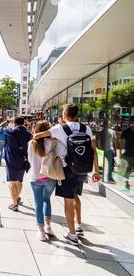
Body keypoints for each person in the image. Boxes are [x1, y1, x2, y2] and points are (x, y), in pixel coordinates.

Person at [33, 104, 100, 245]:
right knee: (76, 196)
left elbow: (37, 135)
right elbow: (93, 150)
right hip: (83, 169)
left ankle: (72, 234)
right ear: (76, 114)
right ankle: (79, 225)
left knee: (68, 201)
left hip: (67, 170)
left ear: (64, 114)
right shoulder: (86, 128)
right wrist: (96, 171)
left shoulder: (59, 129)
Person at [28, 120, 66, 241]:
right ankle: (48, 226)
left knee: (38, 203)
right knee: (46, 200)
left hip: (35, 177)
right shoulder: (54, 142)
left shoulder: (31, 143)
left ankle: (41, 232)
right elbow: (63, 155)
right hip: (50, 176)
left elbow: (30, 160)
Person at [0, 116, 32, 212]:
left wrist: (7, 121)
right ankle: (17, 197)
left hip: (11, 160)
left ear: (14, 122)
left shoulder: (10, 131)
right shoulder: (28, 134)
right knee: (19, 181)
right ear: (23, 122)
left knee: (12, 182)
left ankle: (15, 204)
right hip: (23, 160)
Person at [120, 117, 134, 190]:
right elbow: (122, 142)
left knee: (128, 170)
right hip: (128, 154)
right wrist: (120, 153)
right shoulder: (126, 131)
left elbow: (122, 142)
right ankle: (126, 183)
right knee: (128, 170)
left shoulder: (126, 131)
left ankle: (127, 182)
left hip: (128, 154)